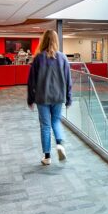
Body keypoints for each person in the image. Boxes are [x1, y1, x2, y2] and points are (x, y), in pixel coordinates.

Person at [27, 30, 72, 166]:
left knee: (45, 126)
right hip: (58, 97)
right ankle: (59, 143)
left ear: (44, 41)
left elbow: (31, 81)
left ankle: (47, 157)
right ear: (56, 41)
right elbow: (68, 80)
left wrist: (30, 98)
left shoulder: (38, 58)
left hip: (42, 97)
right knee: (56, 121)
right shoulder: (63, 58)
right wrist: (69, 98)